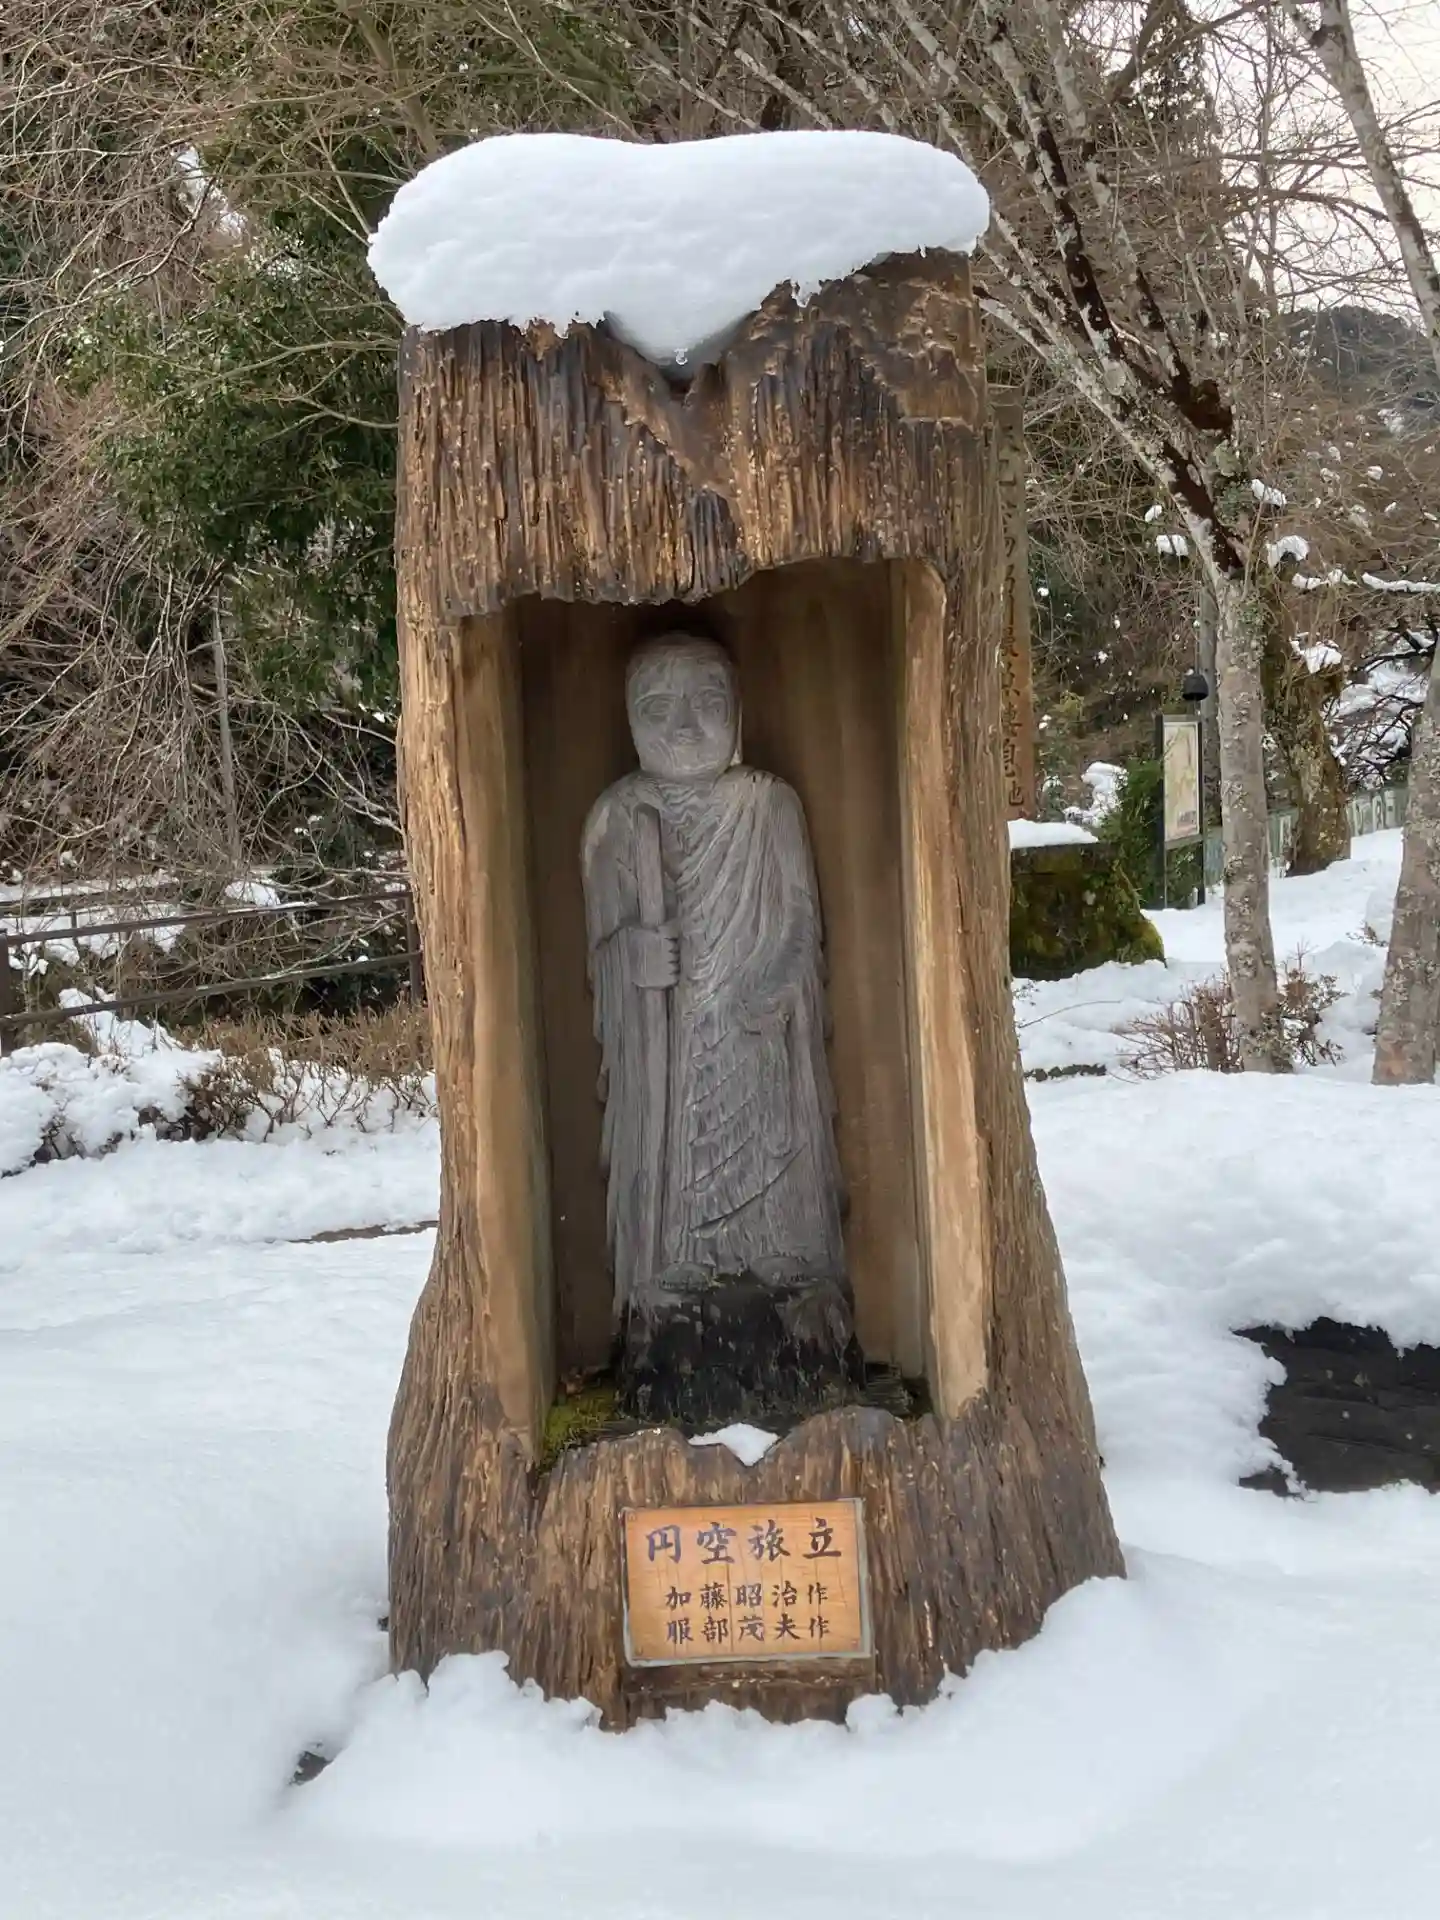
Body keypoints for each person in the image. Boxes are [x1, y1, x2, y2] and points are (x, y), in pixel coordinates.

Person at [582, 633, 846, 1321]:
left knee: (769, 1128)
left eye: (707, 702)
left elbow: (801, 917)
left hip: (752, 1019)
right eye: (659, 707)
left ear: (737, 709)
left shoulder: (767, 803)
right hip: (671, 1038)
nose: (685, 726)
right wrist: (631, 956)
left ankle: (780, 1245)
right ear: (629, 718)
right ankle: (677, 1256)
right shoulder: (617, 816)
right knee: (679, 1139)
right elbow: (601, 950)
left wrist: (776, 982)